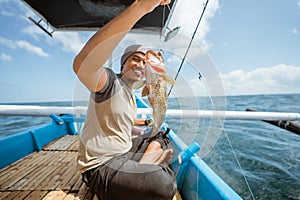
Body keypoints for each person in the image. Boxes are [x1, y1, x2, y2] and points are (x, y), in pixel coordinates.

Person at [73, 0, 177, 199]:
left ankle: (140, 168)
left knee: (161, 135)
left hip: (125, 149)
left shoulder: (132, 93)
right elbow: (82, 65)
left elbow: (123, 123)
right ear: (123, 65)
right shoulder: (110, 82)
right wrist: (141, 7)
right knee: (164, 186)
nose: (140, 64)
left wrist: (147, 122)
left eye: (144, 61)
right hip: (101, 164)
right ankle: (145, 168)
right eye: (135, 59)